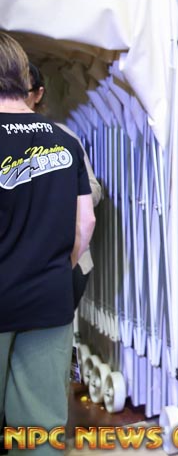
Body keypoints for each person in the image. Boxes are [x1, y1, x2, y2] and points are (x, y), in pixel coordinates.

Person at [0, 32, 95, 456]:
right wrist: (57, 268)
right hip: (49, 300)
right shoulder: (65, 141)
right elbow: (85, 221)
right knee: (39, 432)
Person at [25, 62, 102, 309]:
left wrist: (60, 195)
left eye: (23, 91)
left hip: (65, 259)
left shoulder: (62, 136)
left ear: (38, 94)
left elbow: (93, 190)